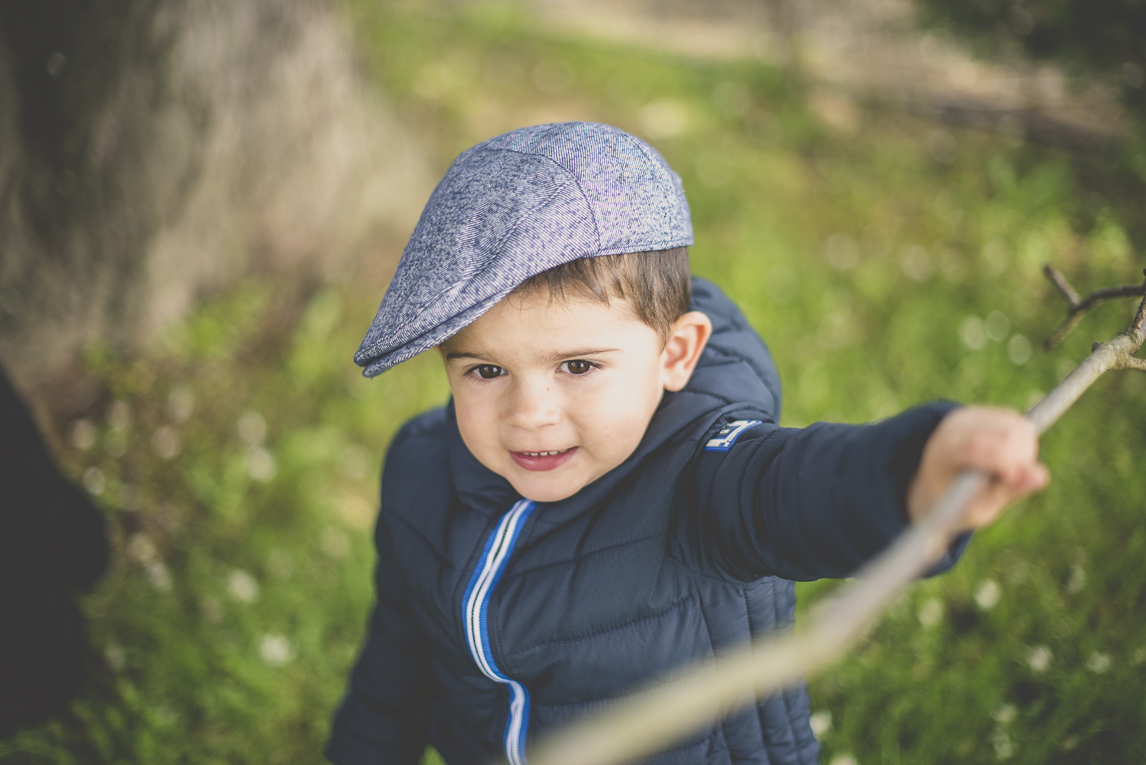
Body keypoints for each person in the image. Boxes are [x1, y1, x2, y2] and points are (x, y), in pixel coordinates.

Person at [326, 122, 1047, 765]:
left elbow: (793, 491)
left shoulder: (707, 473)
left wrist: (913, 472)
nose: (530, 414)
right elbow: (396, 668)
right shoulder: (422, 468)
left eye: (577, 366)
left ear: (676, 353)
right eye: (486, 370)